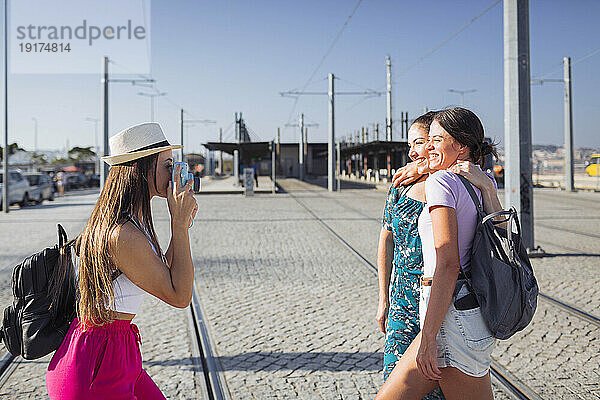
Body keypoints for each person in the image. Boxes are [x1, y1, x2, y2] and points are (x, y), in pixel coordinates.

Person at [46, 123, 198, 399]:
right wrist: (178, 223)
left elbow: (164, 273)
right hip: (96, 366)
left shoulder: (131, 221)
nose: (174, 172)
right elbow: (179, 295)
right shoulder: (122, 234)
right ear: (141, 168)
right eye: (167, 164)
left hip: (115, 350)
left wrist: (182, 222)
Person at [377, 108, 500, 399]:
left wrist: (429, 337)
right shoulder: (482, 182)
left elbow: (447, 264)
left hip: (449, 316)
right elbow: (502, 237)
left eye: (435, 139)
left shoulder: (441, 183)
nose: (426, 147)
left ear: (460, 145)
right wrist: (422, 169)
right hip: (472, 314)